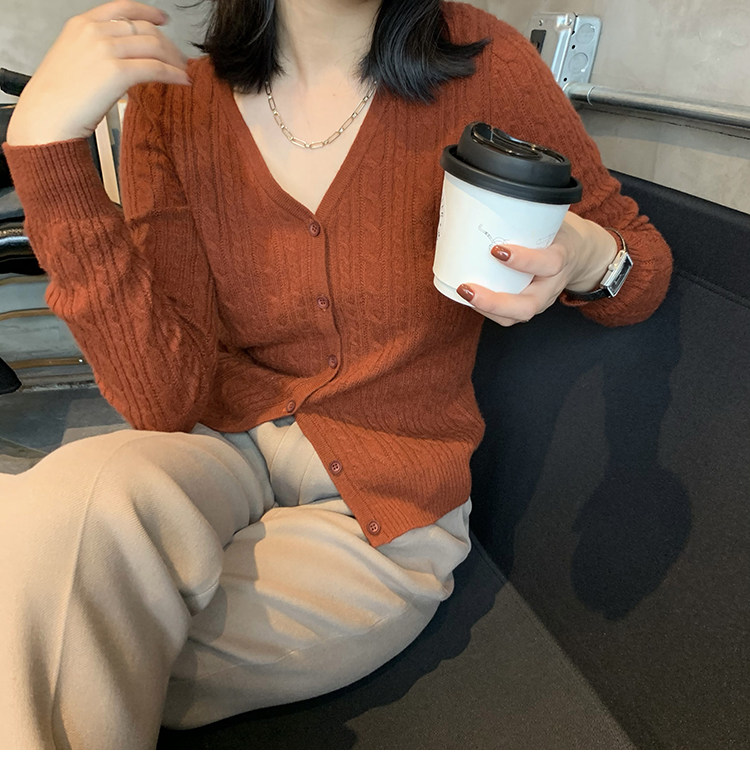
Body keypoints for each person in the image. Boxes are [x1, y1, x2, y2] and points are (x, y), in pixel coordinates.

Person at [1, 0, 672, 749]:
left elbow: (639, 268)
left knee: (52, 630)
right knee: (62, 516)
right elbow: (164, 401)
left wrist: (588, 257)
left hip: (386, 507)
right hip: (218, 447)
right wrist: (46, 149)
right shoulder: (173, 103)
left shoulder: (491, 65)